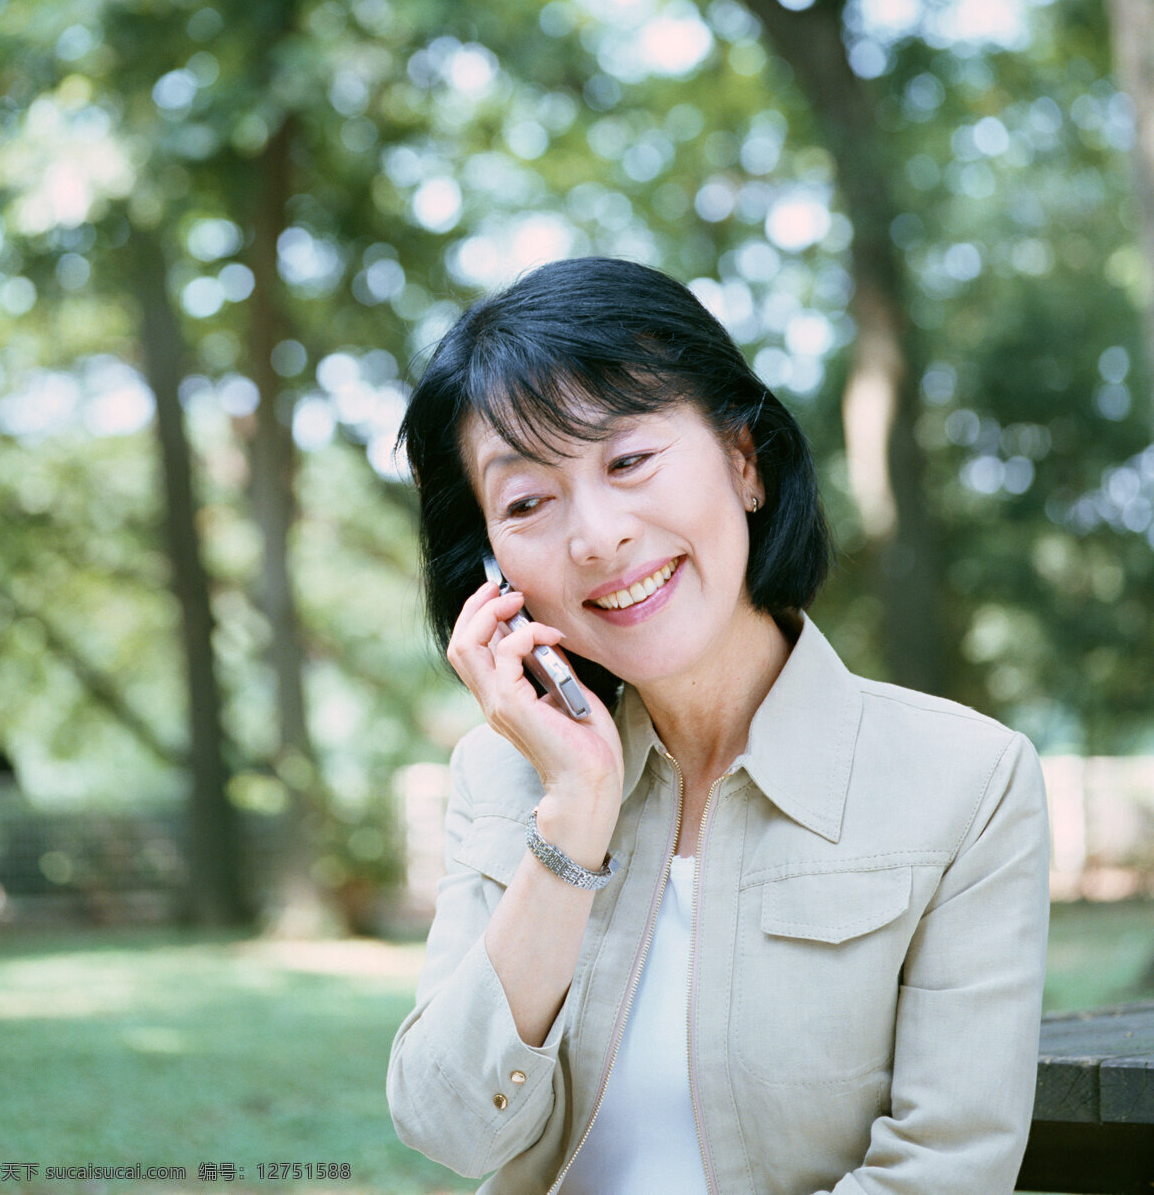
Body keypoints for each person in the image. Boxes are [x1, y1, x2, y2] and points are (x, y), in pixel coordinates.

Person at [387, 256, 1050, 1195]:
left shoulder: (968, 782)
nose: (596, 535)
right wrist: (575, 810)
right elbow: (449, 1126)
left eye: (629, 460)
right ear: (493, 571)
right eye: (528, 501)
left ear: (745, 461)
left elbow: (946, 1169)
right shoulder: (503, 779)